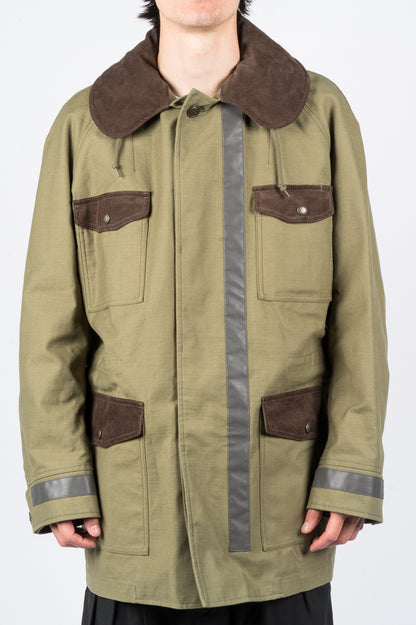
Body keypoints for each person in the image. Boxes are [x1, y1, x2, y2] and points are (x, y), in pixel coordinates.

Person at [18, 1, 389, 624]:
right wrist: (60, 475)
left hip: (280, 518)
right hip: (135, 521)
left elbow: (360, 310)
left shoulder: (318, 113)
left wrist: (350, 465)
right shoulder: (85, 126)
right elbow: (50, 326)